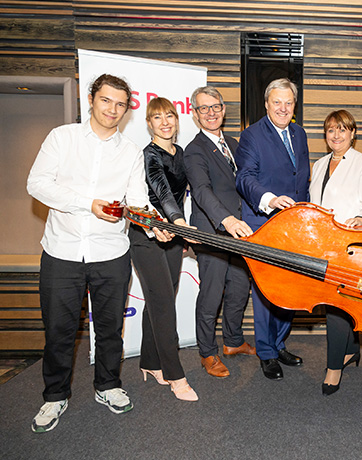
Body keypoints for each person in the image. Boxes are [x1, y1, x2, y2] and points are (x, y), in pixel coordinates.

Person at [27, 74, 170, 432]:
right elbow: (37, 183)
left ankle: (108, 385)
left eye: (121, 104)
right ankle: (54, 396)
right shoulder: (63, 138)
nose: (113, 109)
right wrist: (85, 204)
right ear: (91, 99)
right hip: (62, 252)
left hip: (111, 253)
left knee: (110, 329)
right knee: (59, 331)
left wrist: (154, 223)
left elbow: (137, 200)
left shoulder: (130, 151)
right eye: (106, 100)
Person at [235, 78, 310, 381]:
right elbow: (244, 178)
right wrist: (269, 199)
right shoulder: (251, 135)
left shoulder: (300, 134)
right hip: (264, 224)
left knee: (290, 290)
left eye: (288, 102)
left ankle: (279, 344)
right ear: (266, 104)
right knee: (266, 292)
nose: (282, 108)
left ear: (294, 105)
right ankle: (266, 352)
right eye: (276, 102)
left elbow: (300, 178)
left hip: (293, 227)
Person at [128, 97, 197, 401]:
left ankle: (150, 362)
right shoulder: (148, 155)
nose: (165, 122)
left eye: (170, 116)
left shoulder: (179, 152)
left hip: (172, 234)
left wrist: (179, 231)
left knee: (158, 298)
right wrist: (179, 223)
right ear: (149, 124)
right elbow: (162, 191)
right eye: (158, 118)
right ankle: (174, 374)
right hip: (147, 235)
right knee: (164, 304)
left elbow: (182, 195)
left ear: (177, 120)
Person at [183, 86, 255, 380]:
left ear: (223, 109)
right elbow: (200, 191)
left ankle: (233, 342)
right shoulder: (194, 150)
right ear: (195, 113)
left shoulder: (235, 145)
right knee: (211, 295)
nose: (211, 113)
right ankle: (207, 352)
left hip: (240, 233)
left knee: (239, 289)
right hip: (213, 232)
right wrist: (226, 220)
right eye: (204, 108)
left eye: (216, 107)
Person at [309, 110, 362, 396]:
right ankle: (351, 350)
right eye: (330, 130)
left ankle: (333, 367)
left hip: (351, 246)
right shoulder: (319, 165)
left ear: (352, 133)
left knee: (337, 306)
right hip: (322, 245)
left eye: (342, 129)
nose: (336, 135)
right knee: (337, 303)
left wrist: (361, 219)